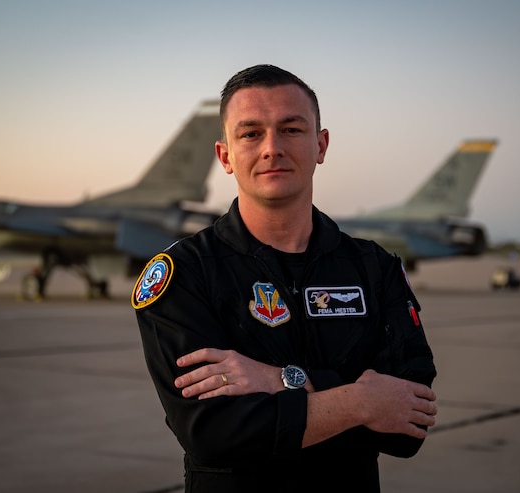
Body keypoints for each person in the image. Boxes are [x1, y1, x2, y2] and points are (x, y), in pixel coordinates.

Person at [132, 64, 437, 492]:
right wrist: (363, 400)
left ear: (321, 144)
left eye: (291, 129)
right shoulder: (185, 274)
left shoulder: (374, 267)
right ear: (225, 156)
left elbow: (409, 421)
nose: (272, 147)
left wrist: (279, 381)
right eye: (251, 133)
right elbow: (212, 435)